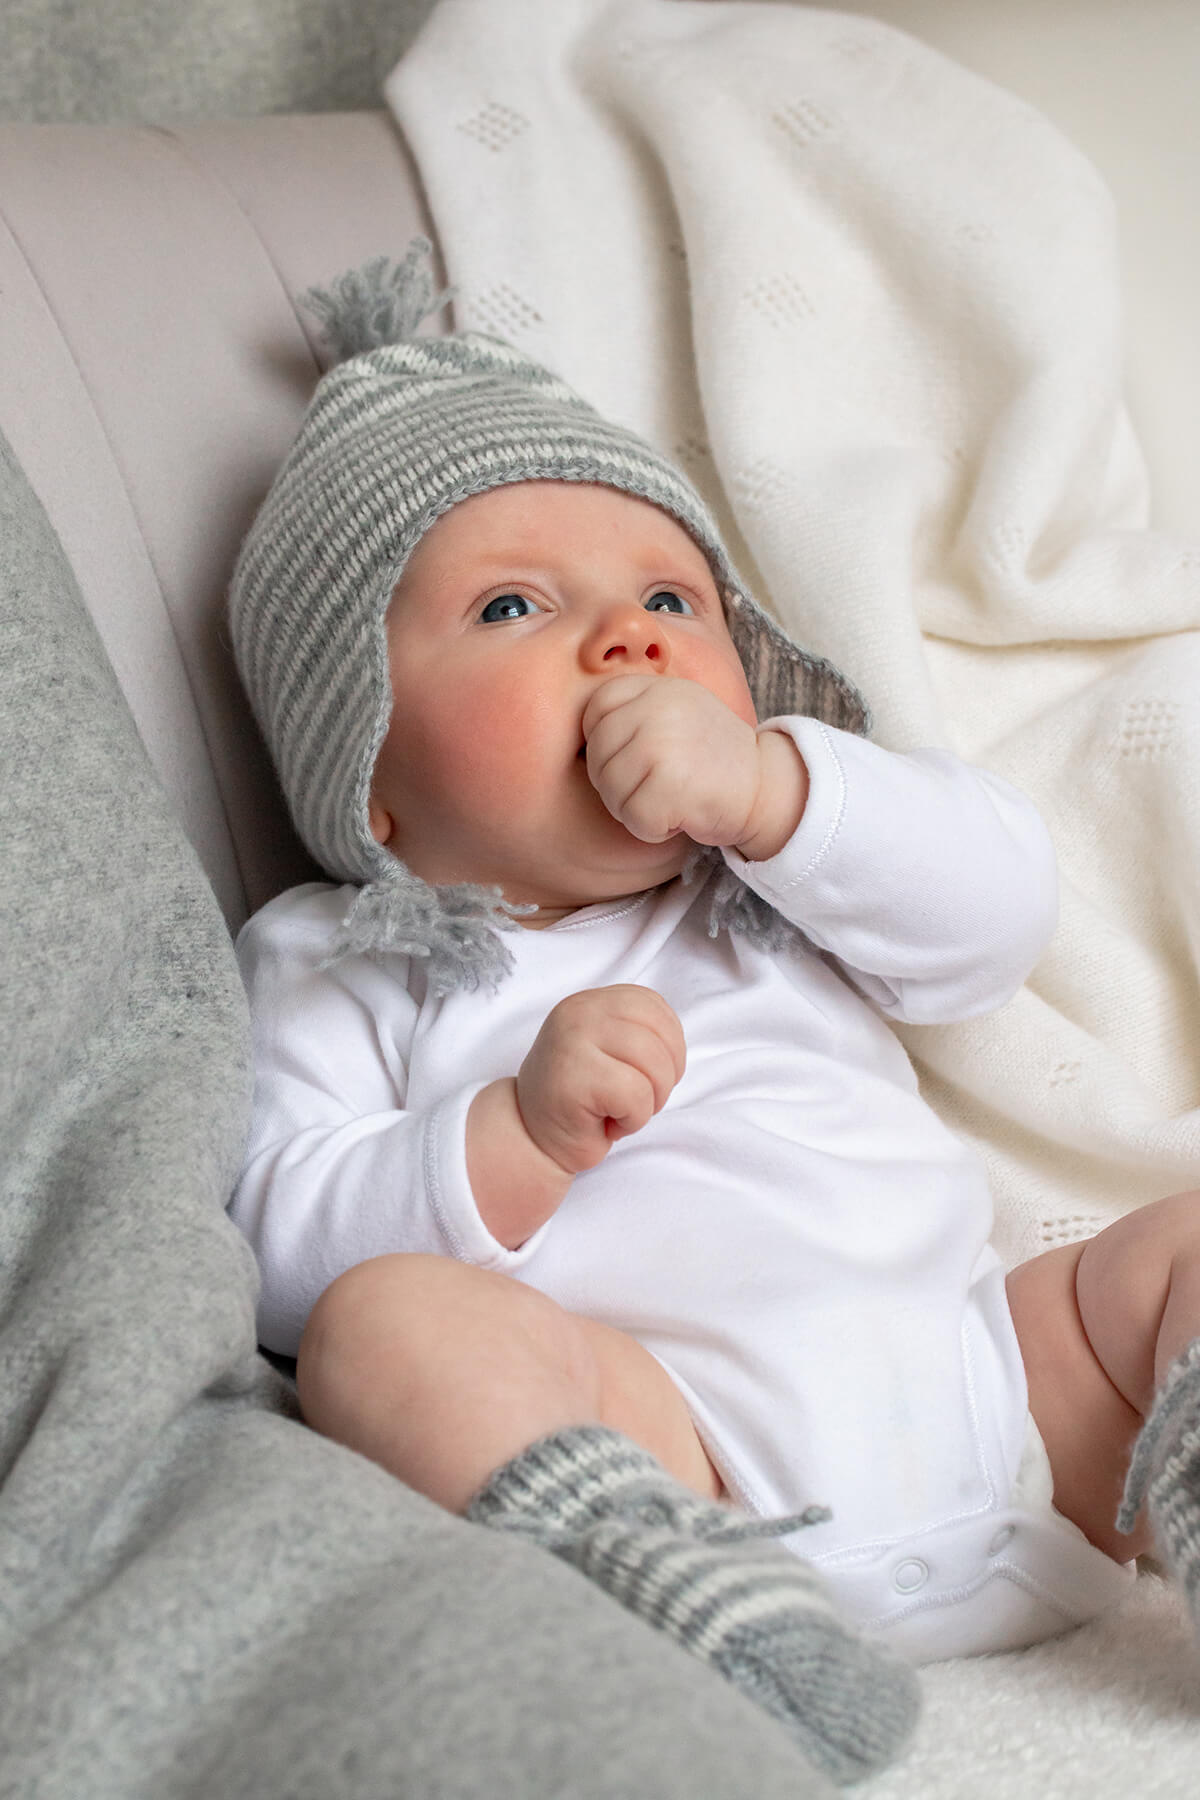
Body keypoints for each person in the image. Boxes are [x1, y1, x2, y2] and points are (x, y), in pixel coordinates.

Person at [227, 246, 1200, 1776]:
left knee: (1182, 1250)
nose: (625, 639)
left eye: (668, 596)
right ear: (366, 772)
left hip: (1011, 1421)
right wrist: (508, 1140)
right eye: (510, 607)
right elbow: (275, 1248)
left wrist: (772, 793)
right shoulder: (342, 959)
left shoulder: (775, 872)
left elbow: (994, 920)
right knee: (379, 1334)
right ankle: (673, 1597)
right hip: (688, 1463)